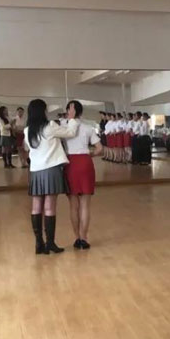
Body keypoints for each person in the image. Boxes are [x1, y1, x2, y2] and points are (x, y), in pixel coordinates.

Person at [25, 98, 79, 254]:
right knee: (49, 207)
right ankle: (50, 243)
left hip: (35, 170)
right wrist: (71, 118)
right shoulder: (50, 126)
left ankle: (38, 243)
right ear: (43, 111)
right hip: (51, 169)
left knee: (36, 206)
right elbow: (70, 133)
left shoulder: (27, 130)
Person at [63, 100, 103, 250]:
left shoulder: (64, 128)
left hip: (70, 163)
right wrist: (90, 155)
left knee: (73, 205)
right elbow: (100, 148)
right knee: (85, 204)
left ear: (68, 111)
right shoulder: (88, 128)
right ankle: (84, 238)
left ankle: (76, 238)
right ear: (81, 112)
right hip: (85, 162)